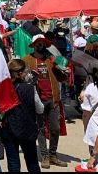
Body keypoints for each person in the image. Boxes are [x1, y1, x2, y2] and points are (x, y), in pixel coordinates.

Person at [24, 35, 69, 169]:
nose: (41, 46)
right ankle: (44, 156)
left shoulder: (51, 59)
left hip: (53, 99)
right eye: (38, 44)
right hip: (38, 100)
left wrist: (64, 71)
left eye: (43, 44)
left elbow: (61, 78)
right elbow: (22, 79)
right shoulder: (27, 60)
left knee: (55, 128)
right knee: (41, 129)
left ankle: (53, 155)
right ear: (34, 45)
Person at [1, 59, 42, 173]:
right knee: (32, 162)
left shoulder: (3, 88)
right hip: (27, 129)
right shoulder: (30, 88)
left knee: (13, 163)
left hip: (9, 128)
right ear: (20, 73)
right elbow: (40, 108)